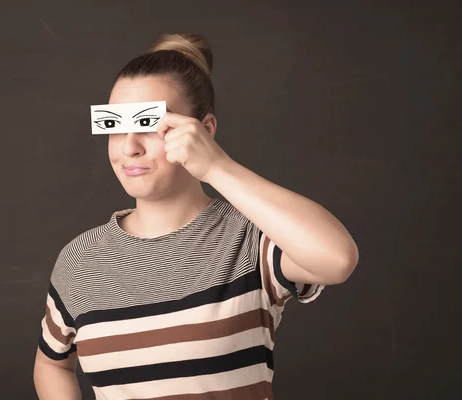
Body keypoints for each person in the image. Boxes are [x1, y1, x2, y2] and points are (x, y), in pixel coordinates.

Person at [33, 33, 359, 400]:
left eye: (149, 124)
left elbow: (338, 259)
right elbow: (52, 363)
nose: (129, 147)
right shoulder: (80, 260)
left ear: (204, 130)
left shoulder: (252, 238)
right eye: (115, 126)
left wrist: (217, 166)